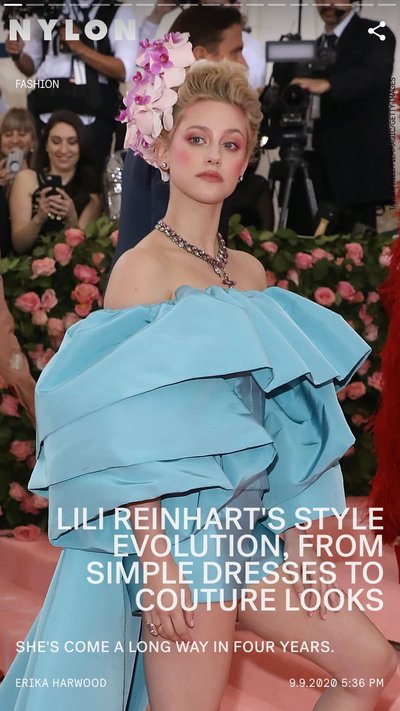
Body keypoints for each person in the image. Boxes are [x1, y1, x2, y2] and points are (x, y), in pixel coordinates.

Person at [0, 41, 396, 711]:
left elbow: (285, 422)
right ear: (162, 148)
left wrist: (299, 546)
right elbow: (123, 431)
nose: (214, 154)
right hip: (183, 547)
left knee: (367, 665)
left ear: (246, 161)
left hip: (251, 537)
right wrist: (157, 566)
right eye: (197, 137)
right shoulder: (141, 273)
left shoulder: (249, 275)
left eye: (231, 143)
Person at [114, 5, 273, 264]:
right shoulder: (168, 130)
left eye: (230, 144)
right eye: (236, 51)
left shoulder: (163, 122)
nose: (243, 63)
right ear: (201, 55)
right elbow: (170, 246)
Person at [284, 0, 395, 234]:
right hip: (313, 161)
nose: (327, 4)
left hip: (356, 166)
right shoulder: (313, 46)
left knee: (355, 250)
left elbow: (374, 75)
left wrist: (328, 84)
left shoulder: (376, 32)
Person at [5, 0, 137, 168]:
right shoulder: (48, 10)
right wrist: (17, 55)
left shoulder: (118, 10)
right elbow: (30, 67)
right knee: (41, 175)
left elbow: (124, 70)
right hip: (46, 114)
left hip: (92, 117)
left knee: (90, 181)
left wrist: (78, 47)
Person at [9, 109, 102, 254]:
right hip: (26, 270)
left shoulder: (91, 195)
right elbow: (19, 245)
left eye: (72, 142)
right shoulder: (26, 179)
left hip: (69, 274)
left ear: (81, 146)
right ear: (46, 145)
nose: (64, 150)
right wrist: (39, 218)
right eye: (56, 142)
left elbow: (85, 255)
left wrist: (72, 219)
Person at [139, 0, 266, 89]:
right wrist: (157, 14)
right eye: (202, 5)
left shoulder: (250, 45)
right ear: (201, 56)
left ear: (236, 6)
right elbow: (141, 58)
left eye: (217, 6)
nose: (244, 64)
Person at [0, 107, 37, 255]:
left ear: (33, 141)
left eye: (22, 134)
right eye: (8, 134)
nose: (15, 140)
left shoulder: (40, 175)